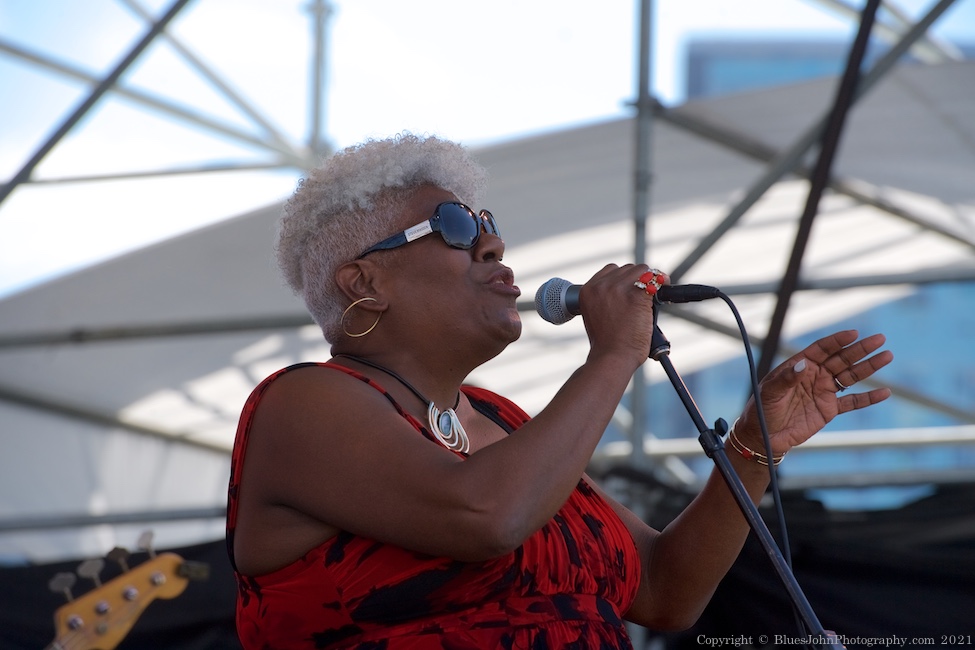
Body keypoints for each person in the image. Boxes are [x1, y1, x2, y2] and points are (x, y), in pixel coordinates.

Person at [225, 133, 893, 649]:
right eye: (457, 227)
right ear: (361, 282)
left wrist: (751, 447)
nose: (493, 244)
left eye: (487, 222)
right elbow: (485, 517)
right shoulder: (304, 403)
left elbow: (663, 591)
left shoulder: (505, 422)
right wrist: (611, 357)